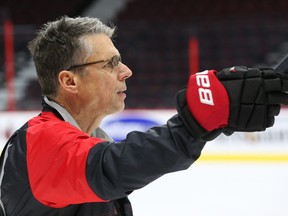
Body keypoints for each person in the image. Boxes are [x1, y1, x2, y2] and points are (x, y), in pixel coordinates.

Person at [0, 16, 288, 216]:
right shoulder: (40, 140)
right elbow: (113, 167)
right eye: (111, 63)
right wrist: (193, 125)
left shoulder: (77, 139)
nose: (126, 71)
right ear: (70, 81)